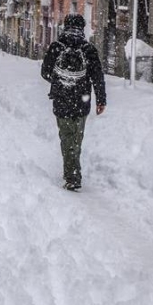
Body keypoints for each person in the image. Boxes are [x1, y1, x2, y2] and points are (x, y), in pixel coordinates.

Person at [40, 14, 106, 191]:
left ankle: (71, 175)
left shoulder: (56, 46)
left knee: (66, 137)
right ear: (82, 29)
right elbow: (97, 77)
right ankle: (73, 172)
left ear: (65, 26)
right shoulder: (88, 49)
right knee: (77, 138)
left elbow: (45, 72)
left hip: (61, 100)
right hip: (81, 101)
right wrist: (101, 100)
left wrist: (60, 82)